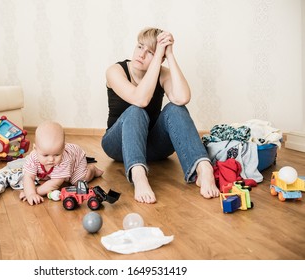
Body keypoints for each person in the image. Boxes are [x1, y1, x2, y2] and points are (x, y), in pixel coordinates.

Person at [101, 27, 220, 204]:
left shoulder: (162, 73)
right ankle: (139, 176)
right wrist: (157, 55)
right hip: (119, 146)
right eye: (140, 47)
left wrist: (169, 55)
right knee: (135, 110)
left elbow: (182, 98)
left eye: (150, 52)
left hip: (155, 147)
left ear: (160, 57)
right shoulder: (115, 71)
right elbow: (140, 99)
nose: (141, 54)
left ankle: (203, 168)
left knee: (175, 107)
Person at [20, 121, 103, 205]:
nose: (51, 159)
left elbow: (54, 184)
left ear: (63, 148)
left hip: (76, 159)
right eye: (45, 155)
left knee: (78, 182)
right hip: (57, 164)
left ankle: (92, 170)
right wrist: (30, 193)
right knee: (44, 178)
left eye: (56, 154)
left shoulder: (64, 160)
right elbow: (28, 177)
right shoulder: (33, 157)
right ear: (35, 148)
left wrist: (34, 193)